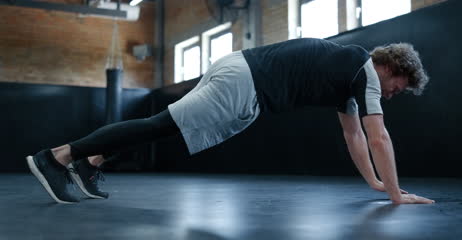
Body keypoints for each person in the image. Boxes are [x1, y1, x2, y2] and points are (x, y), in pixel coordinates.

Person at [26, 38, 435, 205]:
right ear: (389, 66)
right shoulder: (363, 69)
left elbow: (356, 137)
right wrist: (397, 195)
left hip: (244, 76)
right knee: (161, 126)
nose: (395, 94)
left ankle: (89, 163)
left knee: (165, 129)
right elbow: (379, 136)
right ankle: (58, 157)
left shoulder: (349, 75)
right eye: (399, 85)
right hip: (245, 80)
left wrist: (378, 184)